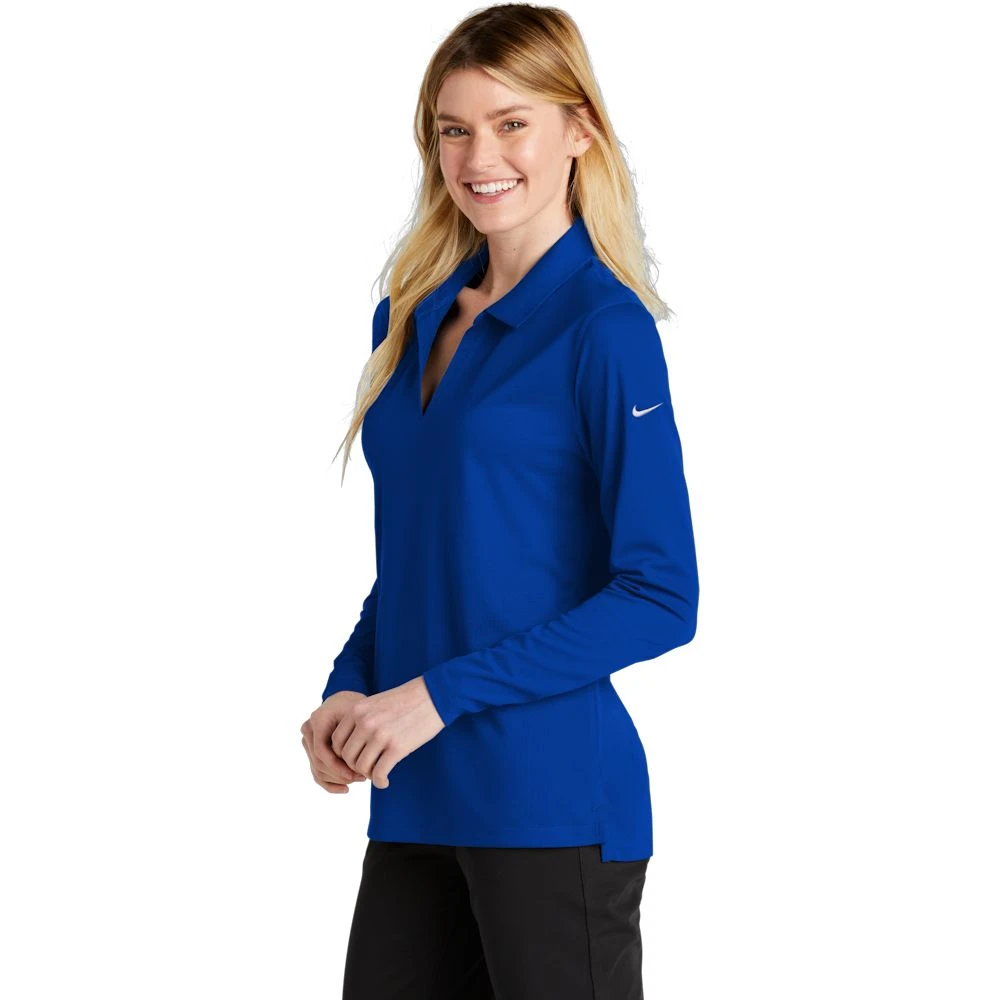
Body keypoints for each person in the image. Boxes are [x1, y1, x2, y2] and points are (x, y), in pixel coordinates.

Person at [299, 5, 699, 997]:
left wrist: (435, 695)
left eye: (511, 123)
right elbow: (427, 557)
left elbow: (660, 596)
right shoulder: (407, 319)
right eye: (454, 129)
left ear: (579, 130)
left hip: (549, 799)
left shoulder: (605, 330)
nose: (479, 158)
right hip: (415, 793)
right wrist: (350, 686)